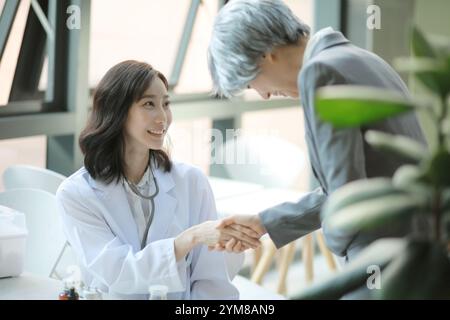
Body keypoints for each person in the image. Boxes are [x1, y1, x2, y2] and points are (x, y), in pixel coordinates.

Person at [207, 0, 427, 262]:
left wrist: (338, 243)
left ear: (264, 53)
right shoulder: (359, 58)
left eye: (249, 82)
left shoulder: (320, 73)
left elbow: (347, 196)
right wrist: (263, 223)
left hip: (380, 253)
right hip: (415, 246)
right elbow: (348, 183)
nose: (264, 95)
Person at [56, 60, 260, 299]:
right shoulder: (76, 194)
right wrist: (189, 239)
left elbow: (212, 278)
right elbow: (119, 271)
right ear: (117, 111)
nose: (162, 117)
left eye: (166, 103)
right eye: (149, 104)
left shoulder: (191, 182)